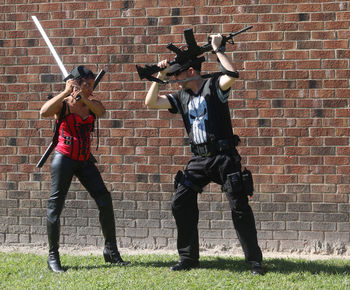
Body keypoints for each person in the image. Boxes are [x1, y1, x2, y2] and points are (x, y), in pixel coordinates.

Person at [145, 34, 263, 275]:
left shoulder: (214, 85)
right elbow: (150, 102)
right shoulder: (181, 97)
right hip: (198, 159)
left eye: (177, 74)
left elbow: (232, 75)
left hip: (224, 157)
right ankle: (188, 258)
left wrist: (217, 50)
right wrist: (161, 75)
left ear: (191, 72)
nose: (175, 80)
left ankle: (254, 261)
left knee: (239, 206)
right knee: (181, 201)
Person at [40, 65, 129, 272]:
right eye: (86, 85)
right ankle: (53, 256)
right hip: (64, 158)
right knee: (55, 206)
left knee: (104, 200)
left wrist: (85, 98)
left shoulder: (92, 104)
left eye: (91, 85)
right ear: (75, 84)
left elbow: (101, 111)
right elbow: (44, 112)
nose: (90, 88)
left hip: (85, 160)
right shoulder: (62, 105)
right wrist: (64, 92)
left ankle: (111, 250)